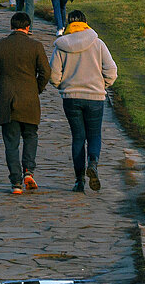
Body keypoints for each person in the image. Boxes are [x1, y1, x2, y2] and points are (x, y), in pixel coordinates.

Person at [49, 10, 118, 193]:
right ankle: (93, 163)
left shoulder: (61, 46)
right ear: (86, 23)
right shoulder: (98, 44)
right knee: (94, 135)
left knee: (78, 137)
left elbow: (54, 75)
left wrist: (62, 86)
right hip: (95, 97)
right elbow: (111, 71)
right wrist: (103, 85)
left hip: (71, 98)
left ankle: (79, 180)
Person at [0, 11, 50, 194]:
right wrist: (36, 89)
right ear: (28, 27)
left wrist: (2, 88)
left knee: (11, 142)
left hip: (8, 101)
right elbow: (46, 72)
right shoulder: (36, 46)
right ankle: (28, 171)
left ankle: (16, 182)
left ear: (11, 26)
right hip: (29, 99)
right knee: (30, 135)